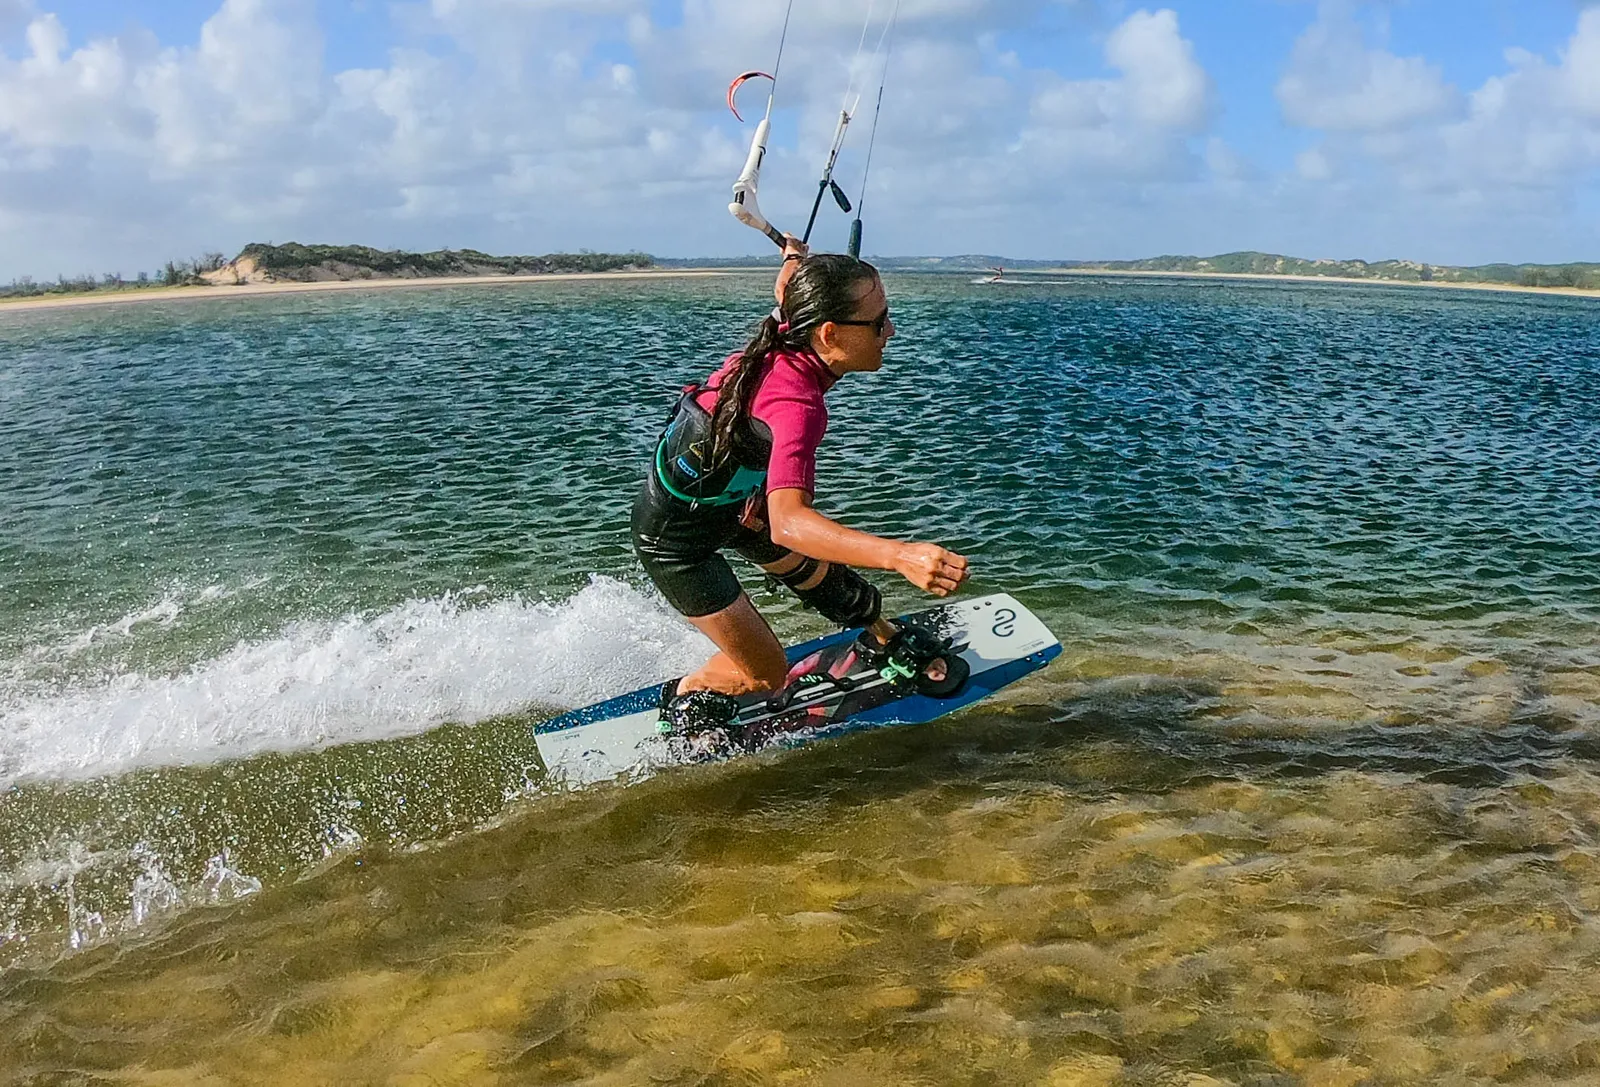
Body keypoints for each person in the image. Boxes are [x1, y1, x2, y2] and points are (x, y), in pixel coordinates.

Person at [631, 236, 971, 734]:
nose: (890, 331)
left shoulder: (785, 327)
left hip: (734, 503)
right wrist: (902, 555)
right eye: (878, 323)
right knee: (767, 674)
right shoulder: (796, 405)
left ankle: (880, 634)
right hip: (678, 540)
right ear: (830, 334)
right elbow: (791, 523)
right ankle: (688, 701)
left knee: (823, 575)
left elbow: (787, 283)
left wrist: (794, 254)